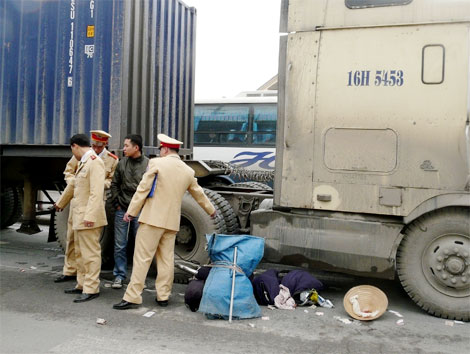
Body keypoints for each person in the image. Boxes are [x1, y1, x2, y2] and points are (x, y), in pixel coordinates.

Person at [113, 134, 216, 310]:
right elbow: (199, 194)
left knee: (142, 258)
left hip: (152, 219)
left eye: (161, 149)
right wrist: (211, 210)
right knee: (166, 260)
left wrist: (131, 212)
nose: (160, 152)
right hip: (171, 222)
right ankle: (163, 296)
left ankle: (132, 297)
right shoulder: (187, 171)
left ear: (166, 149)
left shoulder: (156, 164)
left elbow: (142, 190)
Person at [54, 130, 118, 283]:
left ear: (105, 145)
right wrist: (70, 191)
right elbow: (71, 174)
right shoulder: (81, 157)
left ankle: (88, 285)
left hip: (93, 205)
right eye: (94, 145)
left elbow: (108, 182)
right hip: (78, 202)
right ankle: (71, 271)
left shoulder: (109, 160)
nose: (96, 148)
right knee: (72, 238)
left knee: (89, 248)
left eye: (99, 146)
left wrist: (100, 184)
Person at [109, 134, 149, 289]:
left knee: (141, 245)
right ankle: (119, 275)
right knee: (120, 244)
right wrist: (118, 204)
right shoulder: (121, 163)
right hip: (122, 208)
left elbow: (151, 189)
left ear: (136, 147)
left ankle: (139, 279)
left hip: (140, 211)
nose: (123, 148)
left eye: (126, 146)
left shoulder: (148, 164)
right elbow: (114, 184)